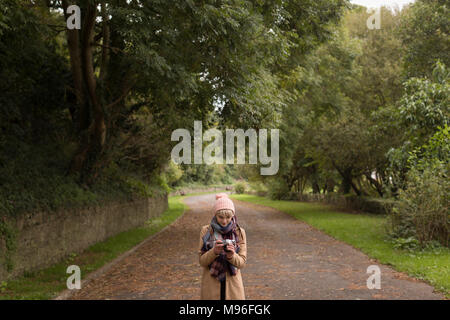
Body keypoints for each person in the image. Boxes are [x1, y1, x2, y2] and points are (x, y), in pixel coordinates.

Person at [198, 194, 247, 300]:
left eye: (228, 217)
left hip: (233, 286)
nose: (224, 221)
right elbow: (202, 261)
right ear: (215, 215)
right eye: (221, 217)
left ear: (233, 216)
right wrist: (214, 252)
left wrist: (231, 256)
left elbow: (242, 262)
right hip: (211, 285)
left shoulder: (239, 232)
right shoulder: (206, 231)